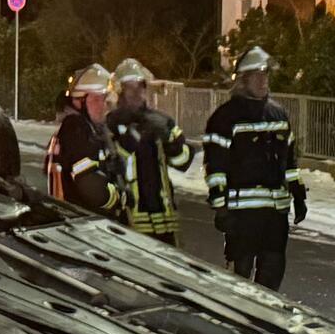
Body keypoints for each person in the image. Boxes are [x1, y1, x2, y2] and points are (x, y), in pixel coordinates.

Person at [202, 47, 305, 289]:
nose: (263, 81)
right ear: (243, 80)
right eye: (257, 75)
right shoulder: (225, 118)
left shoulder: (278, 114)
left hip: (275, 215)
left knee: (272, 275)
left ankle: (264, 323)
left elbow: (289, 162)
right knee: (239, 280)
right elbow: (216, 166)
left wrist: (298, 194)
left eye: (265, 75)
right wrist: (221, 208)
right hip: (242, 215)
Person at [107, 58, 194, 244]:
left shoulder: (161, 121)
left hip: (164, 217)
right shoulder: (111, 124)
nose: (137, 92)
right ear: (120, 91)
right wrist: (133, 135)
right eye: (130, 87)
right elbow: (113, 162)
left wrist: (170, 140)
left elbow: (183, 162)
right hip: (129, 217)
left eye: (140, 86)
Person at [44, 64, 126, 216]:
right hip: (81, 226)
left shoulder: (79, 129)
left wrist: (109, 167)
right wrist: (119, 197)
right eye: (95, 99)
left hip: (73, 223)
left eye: (103, 99)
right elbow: (91, 186)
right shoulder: (76, 129)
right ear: (78, 102)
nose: (102, 105)